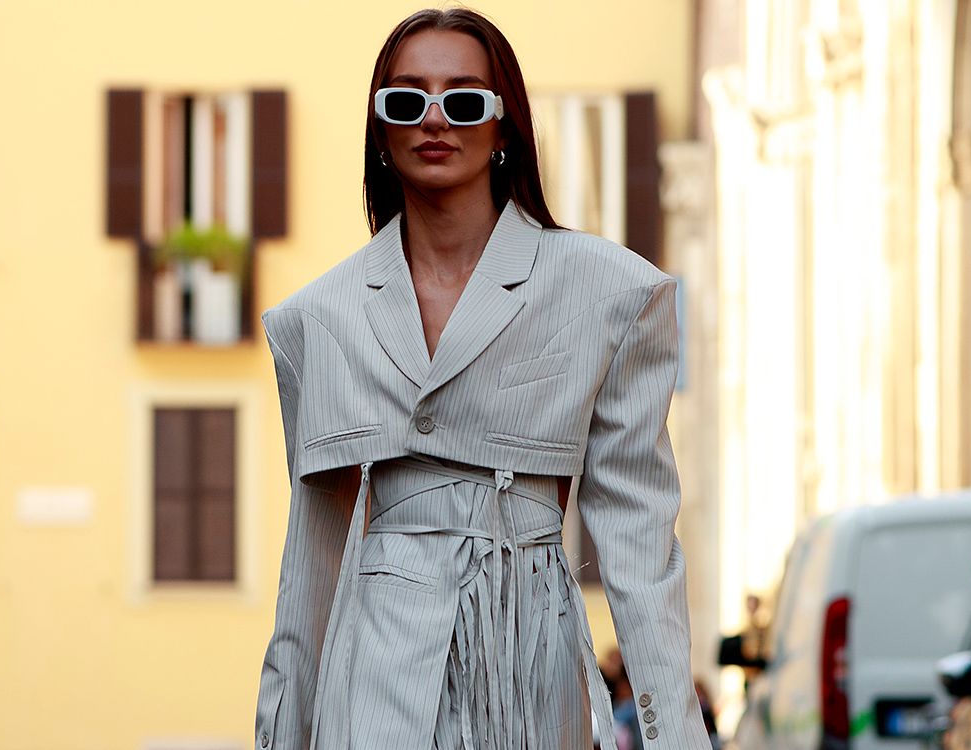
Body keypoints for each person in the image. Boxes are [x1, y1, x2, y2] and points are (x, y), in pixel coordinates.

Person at [253, 7, 711, 749]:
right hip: (374, 680)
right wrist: (281, 735)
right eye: (406, 101)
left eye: (464, 100)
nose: (435, 120)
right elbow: (311, 560)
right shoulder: (318, 320)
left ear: (505, 127)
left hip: (530, 664)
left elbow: (637, 537)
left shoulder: (610, 293)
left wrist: (674, 737)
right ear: (379, 128)